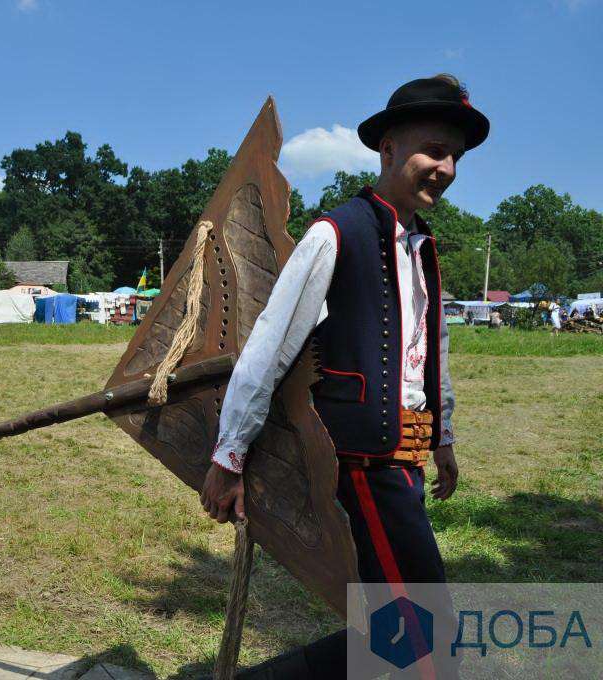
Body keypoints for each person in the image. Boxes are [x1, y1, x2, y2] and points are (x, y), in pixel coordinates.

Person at [201, 74, 489, 678]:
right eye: (434, 150)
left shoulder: (423, 247)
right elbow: (269, 347)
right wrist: (229, 455)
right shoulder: (336, 234)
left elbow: (428, 352)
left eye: (455, 157)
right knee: (425, 639)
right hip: (361, 464)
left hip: (402, 464)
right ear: (387, 149)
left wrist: (443, 439)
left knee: (408, 633)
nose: (447, 168)